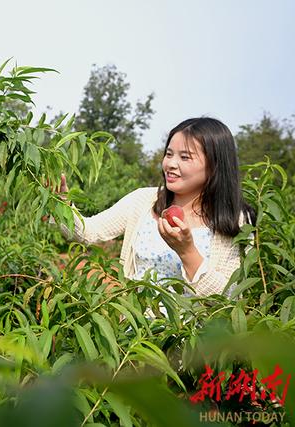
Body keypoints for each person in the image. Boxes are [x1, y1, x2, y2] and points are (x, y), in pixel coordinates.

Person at [60, 117, 254, 296]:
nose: (171, 164)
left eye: (185, 157)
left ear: (215, 166)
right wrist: (61, 202)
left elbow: (230, 297)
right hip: (138, 331)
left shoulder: (236, 219)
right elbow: (88, 232)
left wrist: (187, 252)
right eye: (169, 154)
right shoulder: (143, 201)